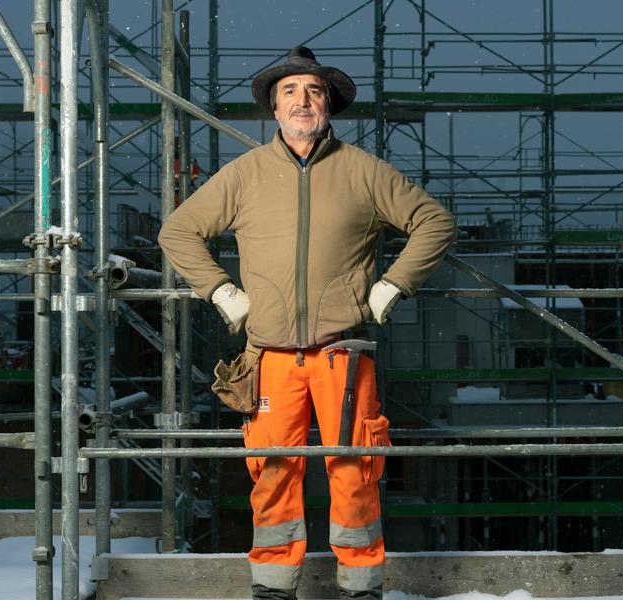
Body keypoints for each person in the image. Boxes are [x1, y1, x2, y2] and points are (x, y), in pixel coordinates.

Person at [158, 46, 456, 600]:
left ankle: (362, 587)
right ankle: (273, 588)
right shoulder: (245, 174)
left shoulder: (363, 172)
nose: (302, 101)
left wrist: (394, 282)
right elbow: (177, 231)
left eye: (314, 92)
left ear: (329, 106)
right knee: (272, 472)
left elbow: (434, 222)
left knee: (355, 469)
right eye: (290, 91)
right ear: (274, 108)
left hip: (343, 352)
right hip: (268, 356)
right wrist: (221, 291)